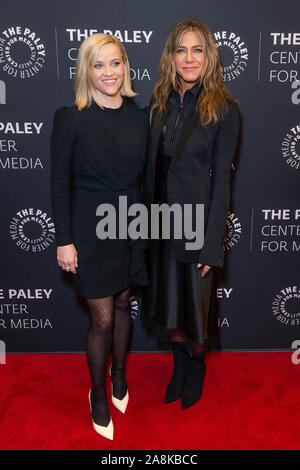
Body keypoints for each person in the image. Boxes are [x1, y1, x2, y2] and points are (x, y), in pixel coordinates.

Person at [50, 33, 148, 440]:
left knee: (124, 304)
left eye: (115, 63)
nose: (109, 72)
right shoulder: (70, 117)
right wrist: (64, 239)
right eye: (99, 64)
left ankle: (120, 375)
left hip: (130, 224)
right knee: (102, 319)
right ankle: (97, 393)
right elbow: (59, 183)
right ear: (86, 70)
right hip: (89, 230)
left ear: (125, 67)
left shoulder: (139, 116)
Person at [142, 18, 240, 409]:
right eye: (181, 50)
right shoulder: (158, 104)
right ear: (171, 56)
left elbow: (223, 184)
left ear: (209, 56)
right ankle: (178, 367)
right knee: (170, 304)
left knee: (195, 311)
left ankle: (196, 368)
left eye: (197, 49)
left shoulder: (225, 110)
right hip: (160, 225)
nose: (188, 58)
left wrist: (212, 246)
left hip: (197, 226)